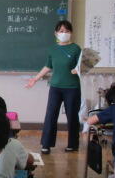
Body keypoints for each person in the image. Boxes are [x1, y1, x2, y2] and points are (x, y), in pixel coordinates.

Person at [26, 20, 81, 154]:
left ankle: (73, 144)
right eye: (61, 31)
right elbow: (48, 66)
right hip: (55, 87)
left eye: (67, 31)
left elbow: (83, 65)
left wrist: (78, 69)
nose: (64, 33)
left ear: (71, 33)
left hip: (72, 87)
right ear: (56, 33)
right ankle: (46, 144)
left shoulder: (76, 49)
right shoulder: (52, 49)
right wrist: (35, 79)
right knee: (50, 115)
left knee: (72, 116)